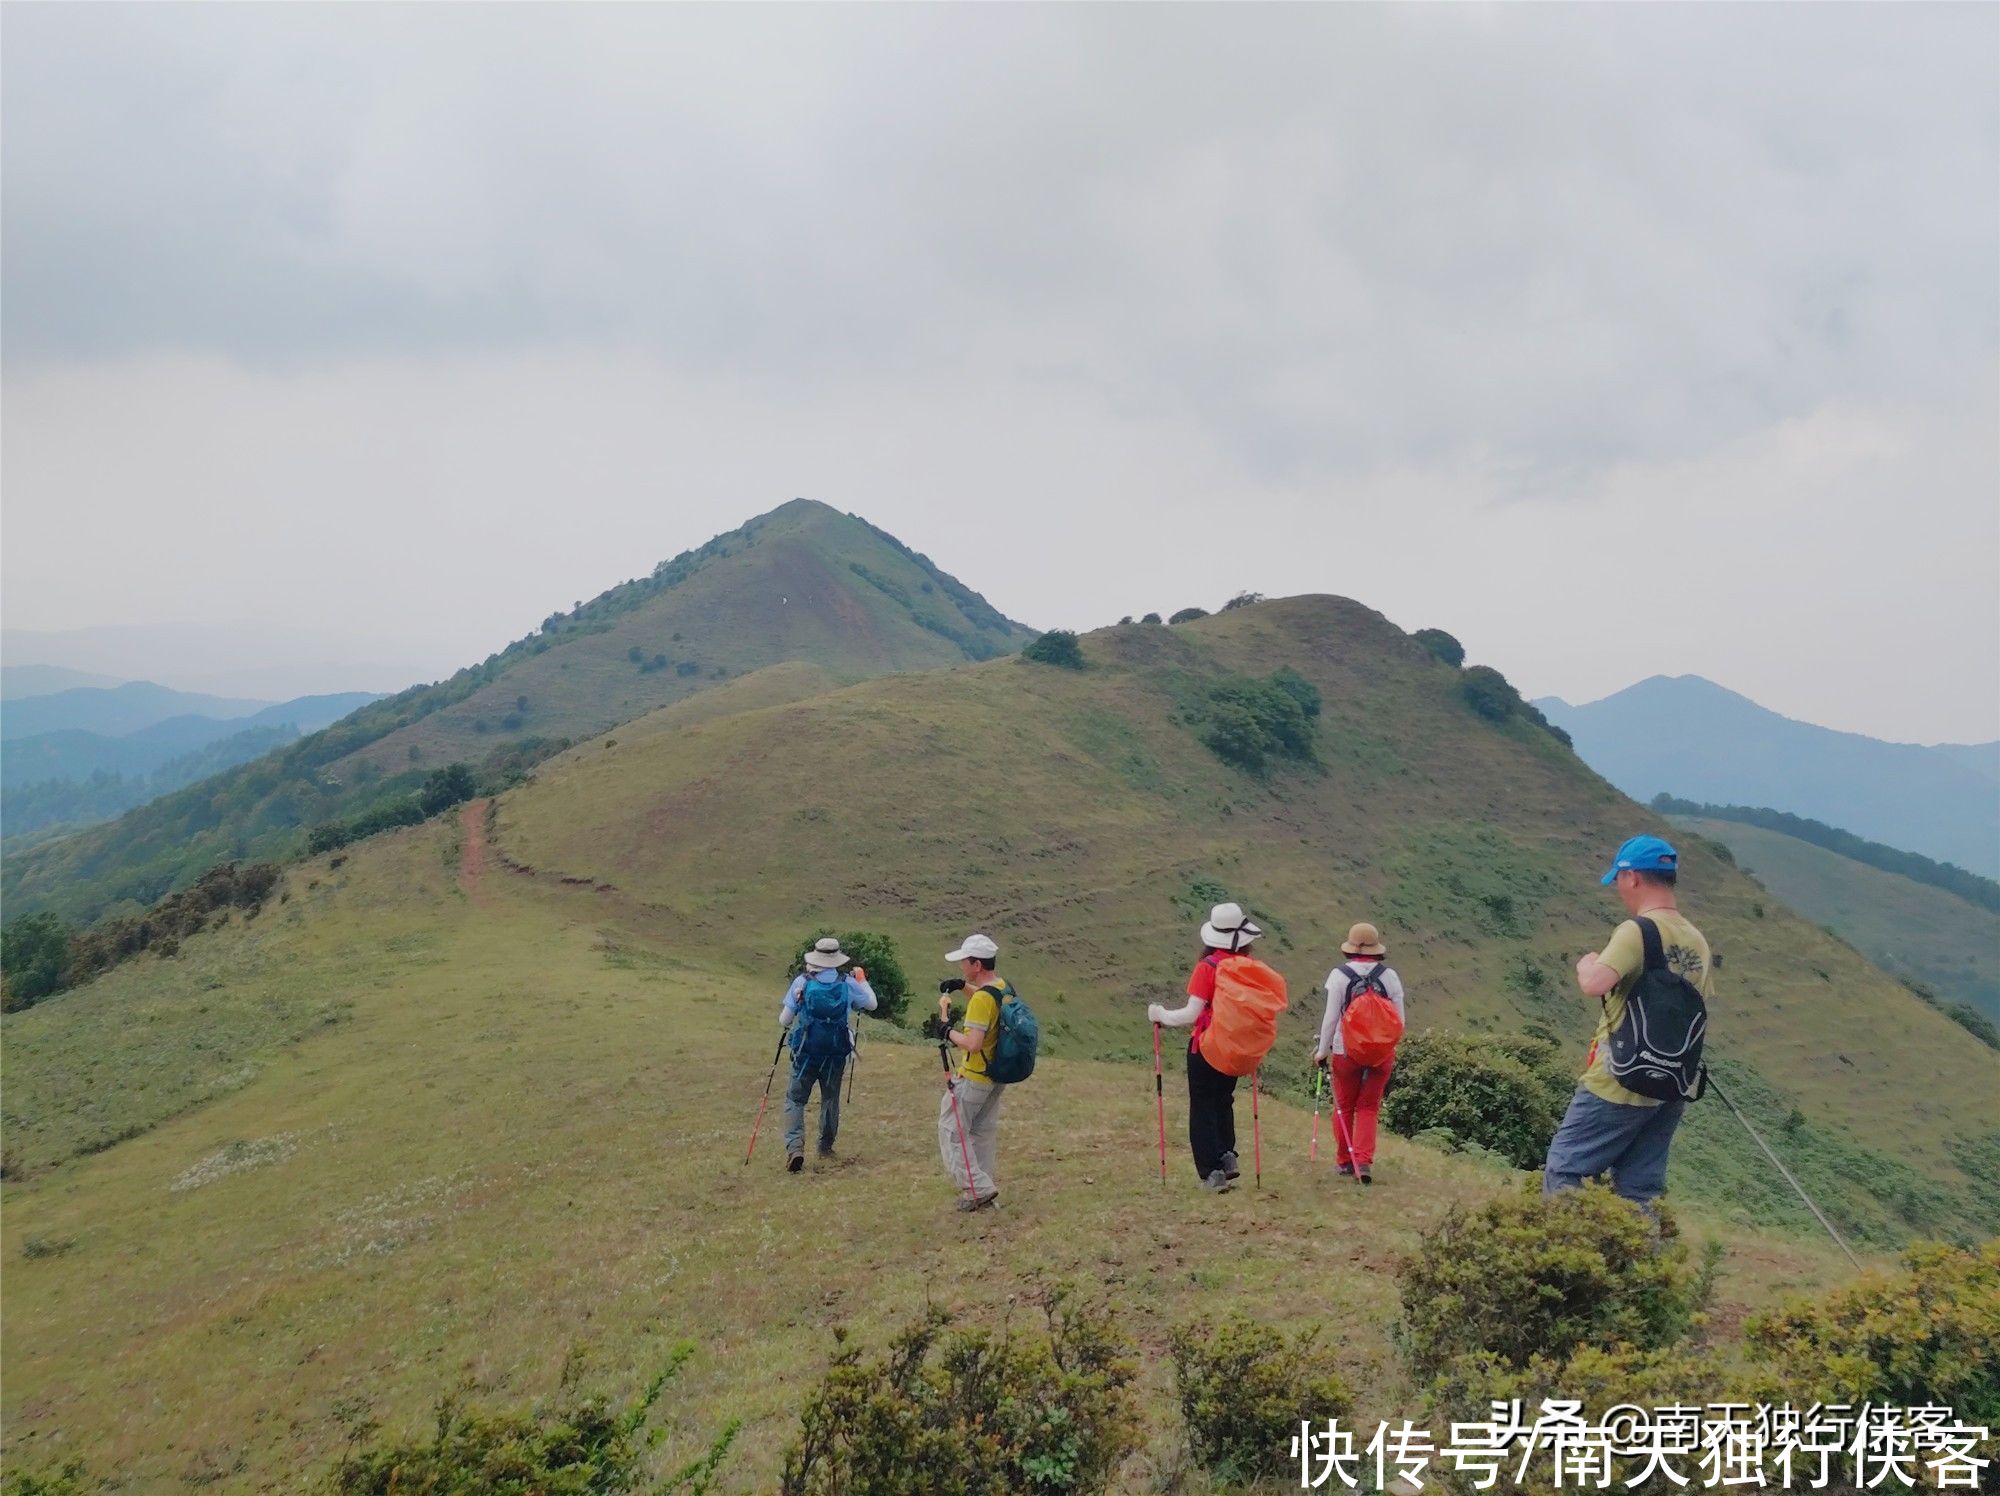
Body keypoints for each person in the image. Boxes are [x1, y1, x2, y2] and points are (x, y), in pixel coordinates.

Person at [1543, 835, 1713, 1210]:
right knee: (1639, 1189)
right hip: (1670, 1085)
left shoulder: (1637, 930)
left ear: (1632, 877)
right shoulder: (1697, 940)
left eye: (1618, 880)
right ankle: (1640, 1265)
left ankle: (1564, 1258)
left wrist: (1586, 963)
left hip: (1619, 1078)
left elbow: (1594, 984)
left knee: (1566, 1169)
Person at [1148, 901, 1264, 1192]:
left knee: (1202, 1106)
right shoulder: (1249, 968)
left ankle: (1211, 1173)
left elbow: (1191, 1013)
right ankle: (1227, 1156)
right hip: (1236, 1046)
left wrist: (1160, 1015)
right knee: (1224, 1100)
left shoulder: (1208, 967)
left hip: (1207, 1046)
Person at [1313, 922, 1406, 1183]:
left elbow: (1331, 1018)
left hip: (1346, 1051)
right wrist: (1387, 1046)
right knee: (1368, 1107)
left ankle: (1345, 1161)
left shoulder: (1339, 975)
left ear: (1350, 947)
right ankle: (1363, 1161)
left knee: (1344, 1106)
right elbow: (1400, 1020)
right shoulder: (1390, 977)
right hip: (1381, 1053)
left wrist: (1322, 1051)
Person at [778, 937, 877, 1171]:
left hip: (806, 1052)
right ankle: (825, 1146)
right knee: (830, 1098)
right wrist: (862, 980)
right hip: (835, 1052)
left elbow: (784, 1019)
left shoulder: (802, 981)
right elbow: (871, 1004)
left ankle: (795, 1148)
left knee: (795, 1098)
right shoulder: (847, 983)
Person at [935, 933, 1013, 1212]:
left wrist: (947, 1030)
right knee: (982, 1131)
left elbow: (973, 1042)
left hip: (976, 1074)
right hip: (997, 1073)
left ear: (976, 965)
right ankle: (982, 1185)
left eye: (964, 963)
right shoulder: (1003, 987)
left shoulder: (980, 1002)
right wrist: (962, 987)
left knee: (951, 1129)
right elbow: (987, 996)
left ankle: (977, 1188)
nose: (961, 966)